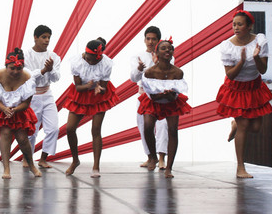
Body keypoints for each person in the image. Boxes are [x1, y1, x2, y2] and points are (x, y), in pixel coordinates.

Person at [216, 10, 272, 178]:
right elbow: (230, 74)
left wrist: (255, 58)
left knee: (255, 128)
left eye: (240, 24)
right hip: (236, 88)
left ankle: (235, 124)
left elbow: (263, 69)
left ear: (249, 26)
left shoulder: (259, 42)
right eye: (234, 24)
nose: (236, 27)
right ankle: (240, 167)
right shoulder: (228, 46)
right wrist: (241, 62)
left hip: (254, 87)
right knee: (244, 125)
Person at [0, 48, 42, 179]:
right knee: (5, 134)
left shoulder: (28, 78)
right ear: (6, 66)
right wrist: (4, 109)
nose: (15, 72)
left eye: (19, 68)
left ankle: (31, 165)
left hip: (20, 110)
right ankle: (6, 168)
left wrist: (15, 110)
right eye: (12, 68)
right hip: (1, 109)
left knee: (22, 138)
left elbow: (26, 103)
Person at [138, 37, 191, 178]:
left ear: (173, 52)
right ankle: (153, 157)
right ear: (157, 53)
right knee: (148, 127)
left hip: (171, 102)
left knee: (173, 130)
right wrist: (160, 95)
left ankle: (169, 167)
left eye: (170, 48)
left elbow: (177, 93)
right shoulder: (149, 72)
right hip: (153, 101)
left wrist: (171, 96)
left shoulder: (178, 72)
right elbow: (151, 95)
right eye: (163, 48)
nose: (167, 50)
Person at [64, 38, 118, 178]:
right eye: (88, 59)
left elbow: (105, 87)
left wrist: (99, 88)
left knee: (95, 129)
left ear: (99, 57)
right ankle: (75, 160)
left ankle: (96, 166)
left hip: (98, 96)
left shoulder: (106, 63)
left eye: (93, 60)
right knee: (70, 128)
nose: (90, 62)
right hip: (81, 93)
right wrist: (89, 86)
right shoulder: (77, 62)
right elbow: (77, 86)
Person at [130, 26, 168, 170]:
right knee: (144, 127)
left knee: (163, 125)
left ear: (158, 40)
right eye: (148, 39)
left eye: (153, 39)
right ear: (144, 40)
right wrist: (139, 69)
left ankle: (162, 158)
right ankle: (150, 157)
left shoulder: (166, 54)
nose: (150, 42)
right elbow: (134, 78)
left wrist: (157, 61)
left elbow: (168, 74)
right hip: (144, 95)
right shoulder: (137, 56)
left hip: (162, 96)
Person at [23, 25, 61, 168]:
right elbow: (26, 76)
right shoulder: (26, 55)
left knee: (53, 129)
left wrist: (50, 70)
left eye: (49, 37)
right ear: (35, 37)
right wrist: (43, 70)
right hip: (31, 96)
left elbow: (56, 77)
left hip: (47, 94)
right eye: (44, 37)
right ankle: (27, 158)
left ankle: (43, 158)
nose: (47, 40)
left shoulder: (54, 57)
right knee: (31, 131)